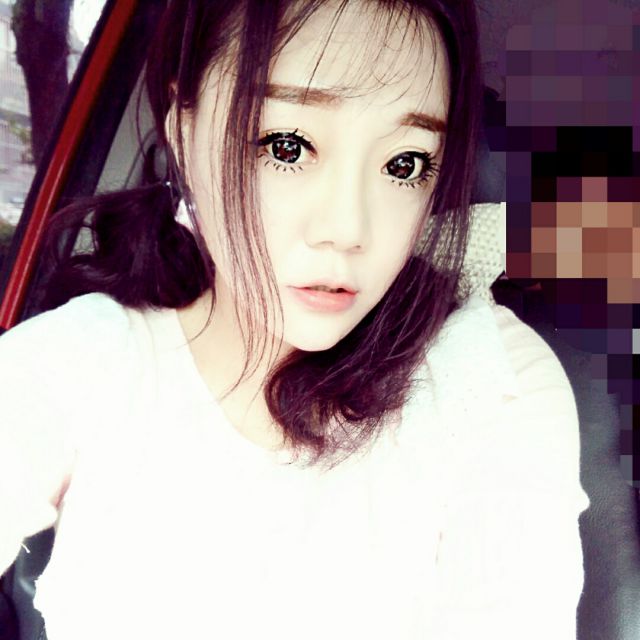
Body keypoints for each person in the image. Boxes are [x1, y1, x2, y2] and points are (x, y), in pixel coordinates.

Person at [0, 1, 589, 639]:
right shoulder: (82, 363)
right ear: (183, 129)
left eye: (405, 164)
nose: (348, 229)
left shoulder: (489, 382)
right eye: (287, 146)